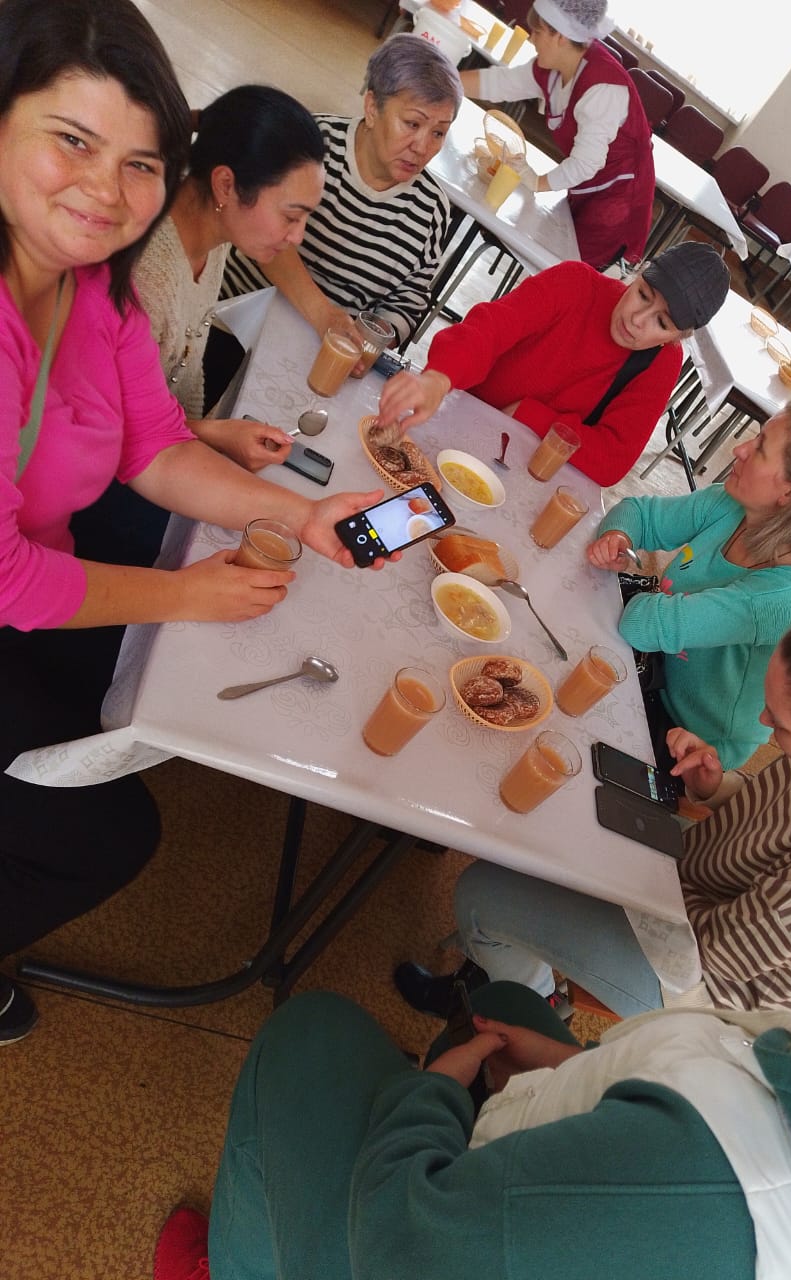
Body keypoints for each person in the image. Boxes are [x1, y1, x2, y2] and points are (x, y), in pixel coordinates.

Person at [0, 0, 392, 1045]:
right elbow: (13, 581)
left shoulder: (101, 292)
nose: (108, 189)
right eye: (72, 140)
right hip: (14, 601)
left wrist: (305, 514)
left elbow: (157, 446)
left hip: (34, 595)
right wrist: (187, 593)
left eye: (139, 161)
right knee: (110, 833)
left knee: (138, 692)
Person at [154, 862, 791, 1280]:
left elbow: (402, 1245)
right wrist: (577, 1068)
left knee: (312, 1034)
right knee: (505, 1000)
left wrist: (431, 1099)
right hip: (583, 1192)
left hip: (401, 1247)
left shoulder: (696, 1183)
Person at [397, 614, 791, 1022]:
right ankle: (515, 955)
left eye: (780, 725)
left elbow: (721, 954)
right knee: (563, 813)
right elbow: (776, 822)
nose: (763, 722)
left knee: (482, 892)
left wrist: (611, 874)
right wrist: (719, 788)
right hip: (690, 878)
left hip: (699, 983)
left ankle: (533, 1004)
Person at [589, 399, 791, 766]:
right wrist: (620, 536)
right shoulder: (732, 504)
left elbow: (642, 624)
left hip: (688, 736)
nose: (740, 449)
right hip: (654, 664)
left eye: (760, 448)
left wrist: (652, 600)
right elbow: (639, 513)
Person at [210, 32, 460, 392]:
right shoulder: (313, 145)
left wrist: (373, 339)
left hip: (318, 356)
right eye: (412, 124)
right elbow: (260, 233)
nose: (422, 146)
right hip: (232, 326)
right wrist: (323, 315)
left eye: (438, 133)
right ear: (372, 107)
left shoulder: (431, 209)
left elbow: (406, 302)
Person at [375, 241, 730, 486]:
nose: (637, 319)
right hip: (461, 420)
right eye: (643, 294)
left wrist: (530, 414)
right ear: (638, 272)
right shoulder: (575, 282)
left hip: (525, 470)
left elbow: (613, 460)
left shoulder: (662, 361)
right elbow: (491, 328)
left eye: (661, 323)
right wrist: (439, 377)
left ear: (676, 338)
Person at [135, 84, 325, 470]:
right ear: (225, 185)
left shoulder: (214, 233)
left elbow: (183, 380)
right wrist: (212, 435)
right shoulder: (146, 278)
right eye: (291, 216)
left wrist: (206, 429)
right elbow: (121, 430)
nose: (298, 237)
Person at [460, 0, 656, 270]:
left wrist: (538, 182)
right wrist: (446, 82)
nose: (531, 38)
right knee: (548, 266)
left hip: (615, 206)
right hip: (585, 188)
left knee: (567, 276)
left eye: (538, 32)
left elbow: (587, 163)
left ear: (560, 36)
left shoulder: (603, 87)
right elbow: (503, 83)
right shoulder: (557, 66)